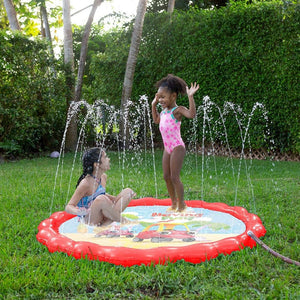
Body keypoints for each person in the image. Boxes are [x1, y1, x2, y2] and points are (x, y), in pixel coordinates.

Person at [152, 74, 199, 212]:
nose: (160, 100)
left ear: (173, 96)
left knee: (174, 177)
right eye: (158, 97)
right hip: (167, 148)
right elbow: (156, 120)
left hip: (177, 146)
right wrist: (153, 104)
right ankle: (173, 203)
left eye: (163, 97)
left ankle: (182, 204)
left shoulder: (177, 111)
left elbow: (191, 114)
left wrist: (190, 97)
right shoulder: (164, 111)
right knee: (166, 176)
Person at [65, 147, 135, 226]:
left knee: (128, 191)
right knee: (101, 199)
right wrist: (78, 211)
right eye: (105, 157)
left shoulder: (103, 177)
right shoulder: (86, 183)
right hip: (89, 219)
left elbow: (101, 194)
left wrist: (116, 199)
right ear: (97, 165)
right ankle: (125, 221)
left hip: (101, 214)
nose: (109, 159)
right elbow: (69, 206)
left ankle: (106, 224)